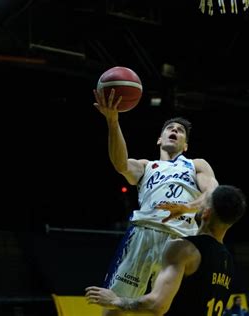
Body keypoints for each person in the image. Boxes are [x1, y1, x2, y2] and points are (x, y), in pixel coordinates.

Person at [92, 88, 219, 315]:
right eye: (170, 128)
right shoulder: (146, 166)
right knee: (114, 306)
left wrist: (187, 207)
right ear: (160, 138)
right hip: (141, 236)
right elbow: (120, 164)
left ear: (185, 145)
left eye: (180, 131)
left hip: (179, 240)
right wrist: (113, 121)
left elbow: (214, 193)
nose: (175, 131)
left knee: (163, 307)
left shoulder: (196, 164)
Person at [86, 184, 247, 315]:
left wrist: (116, 301)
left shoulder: (184, 248)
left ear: (206, 213)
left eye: (203, 202)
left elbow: (157, 305)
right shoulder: (229, 262)